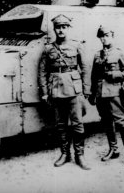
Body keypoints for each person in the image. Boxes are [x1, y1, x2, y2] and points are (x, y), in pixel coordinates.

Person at [38, 14, 91, 170]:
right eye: (58, 27)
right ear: (54, 29)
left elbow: (85, 67)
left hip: (74, 89)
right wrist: (45, 92)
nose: (61, 30)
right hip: (56, 89)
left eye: (64, 27)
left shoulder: (77, 46)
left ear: (68, 28)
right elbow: (42, 71)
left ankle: (79, 155)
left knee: (77, 124)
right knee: (61, 124)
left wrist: (86, 89)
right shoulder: (48, 48)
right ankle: (64, 153)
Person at [88, 25, 124, 167]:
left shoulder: (118, 53)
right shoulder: (97, 55)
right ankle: (113, 150)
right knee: (107, 122)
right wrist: (92, 93)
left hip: (115, 94)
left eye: (107, 35)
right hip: (101, 95)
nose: (104, 39)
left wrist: (114, 74)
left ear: (112, 36)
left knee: (121, 123)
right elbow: (94, 76)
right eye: (101, 36)